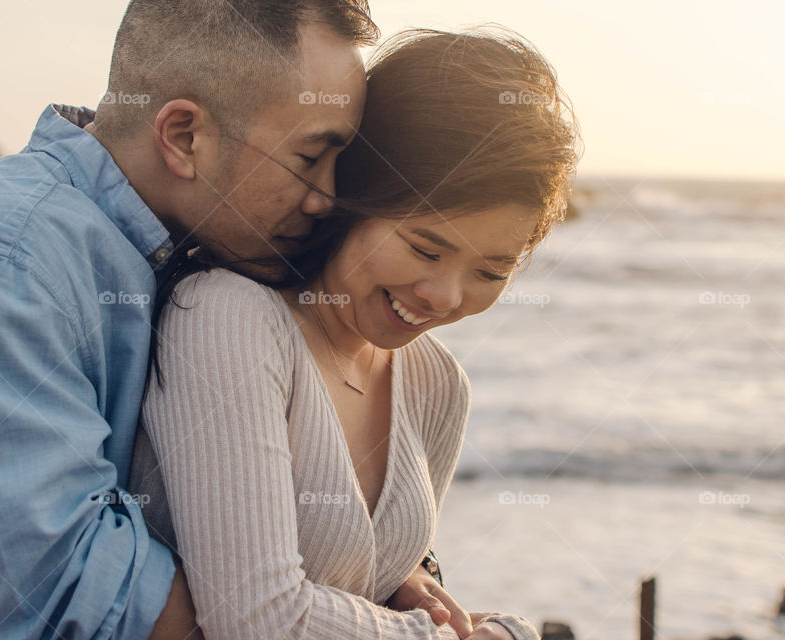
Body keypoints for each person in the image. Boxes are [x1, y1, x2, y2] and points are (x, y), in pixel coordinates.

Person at [0, 2, 392, 638]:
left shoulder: (199, 242)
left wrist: (373, 574)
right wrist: (290, 609)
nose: (325, 197)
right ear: (185, 138)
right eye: (310, 157)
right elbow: (72, 597)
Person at [129, 27, 579, 640]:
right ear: (353, 197)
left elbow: (371, 600)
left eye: (490, 271)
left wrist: (417, 586)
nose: (445, 296)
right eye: (425, 248)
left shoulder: (438, 382)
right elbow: (259, 618)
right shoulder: (227, 318)